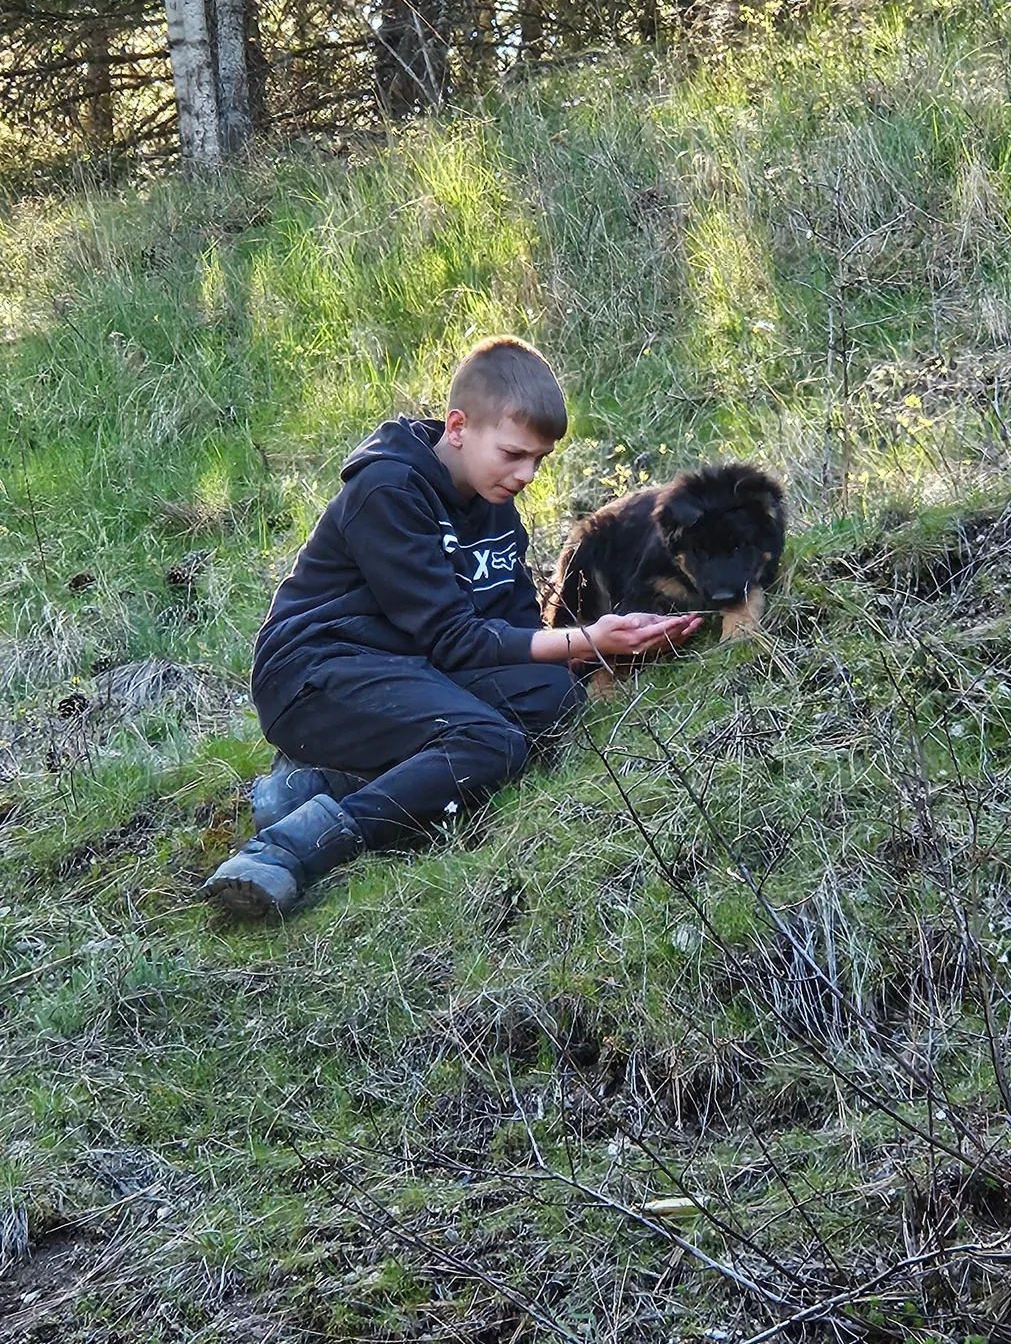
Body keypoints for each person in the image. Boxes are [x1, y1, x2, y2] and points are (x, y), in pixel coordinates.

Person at [203, 336, 699, 918]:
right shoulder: (387, 490)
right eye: (514, 453)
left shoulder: (495, 508)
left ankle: (319, 784)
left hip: (412, 666)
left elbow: (512, 631)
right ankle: (286, 847)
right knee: (491, 743)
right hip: (317, 675)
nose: (527, 474)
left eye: (539, 460)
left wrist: (618, 647)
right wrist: (589, 637)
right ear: (459, 426)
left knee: (552, 697)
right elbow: (455, 638)